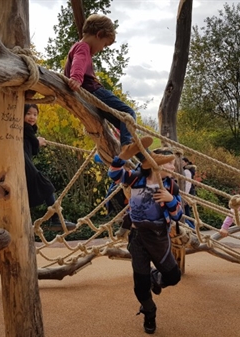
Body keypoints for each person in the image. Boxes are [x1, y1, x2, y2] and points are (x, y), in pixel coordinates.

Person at [64, 13, 174, 169]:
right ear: (99, 34)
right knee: (128, 114)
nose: (102, 49)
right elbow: (78, 63)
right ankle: (127, 147)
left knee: (125, 126)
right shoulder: (83, 48)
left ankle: (145, 157)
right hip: (94, 92)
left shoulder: (82, 48)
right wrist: (76, 77)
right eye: (104, 44)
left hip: (89, 95)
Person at [108, 148, 183, 334]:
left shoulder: (171, 186)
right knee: (140, 288)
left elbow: (178, 216)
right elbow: (114, 174)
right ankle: (149, 312)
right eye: (169, 162)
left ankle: (155, 277)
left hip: (158, 237)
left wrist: (171, 200)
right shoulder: (135, 178)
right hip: (138, 236)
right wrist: (123, 157)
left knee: (173, 276)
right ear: (154, 163)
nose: (173, 166)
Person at [23, 104, 75, 230]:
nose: (32, 117)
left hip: (24, 159)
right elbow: (33, 145)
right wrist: (37, 142)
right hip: (21, 159)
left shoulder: (29, 130)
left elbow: (33, 151)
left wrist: (36, 142)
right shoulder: (22, 127)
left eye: (35, 114)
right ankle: (55, 218)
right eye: (28, 113)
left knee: (25, 192)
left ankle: (28, 221)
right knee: (45, 184)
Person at [181, 157, 196, 228]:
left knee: (185, 214)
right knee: (186, 214)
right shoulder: (184, 171)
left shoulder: (187, 171)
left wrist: (185, 196)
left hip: (187, 194)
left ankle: (193, 229)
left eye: (182, 162)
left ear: (186, 162)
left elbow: (188, 184)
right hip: (187, 194)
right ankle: (193, 229)